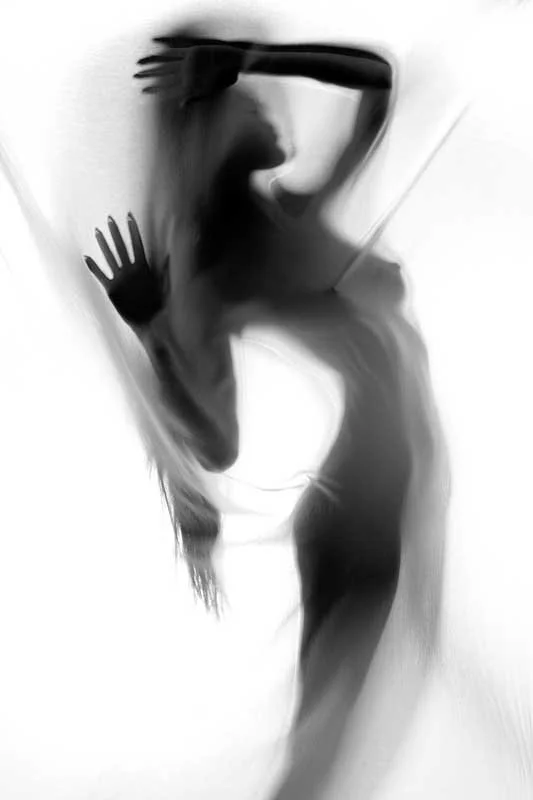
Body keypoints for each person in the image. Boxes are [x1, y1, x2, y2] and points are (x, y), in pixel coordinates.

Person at [84, 24, 428, 796]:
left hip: (370, 496)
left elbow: (375, 83)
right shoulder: (218, 275)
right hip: (358, 509)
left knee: (325, 749)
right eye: (243, 102)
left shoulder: (295, 210)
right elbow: (216, 445)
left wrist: (246, 59)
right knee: (322, 755)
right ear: (204, 131)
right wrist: (152, 331)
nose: (268, 107)